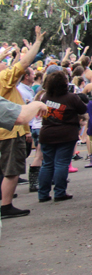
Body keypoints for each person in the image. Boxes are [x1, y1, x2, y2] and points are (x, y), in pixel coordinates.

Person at [0, 26, 44, 219]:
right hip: (10, 132)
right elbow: (24, 63)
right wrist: (37, 43)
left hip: (7, 130)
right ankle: (6, 205)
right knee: (12, 171)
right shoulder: (3, 79)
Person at [38, 66, 87, 202]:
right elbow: (83, 108)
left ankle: (43, 193)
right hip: (66, 133)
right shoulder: (71, 98)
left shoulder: (45, 98)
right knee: (61, 163)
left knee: (47, 164)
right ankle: (59, 192)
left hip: (47, 133)